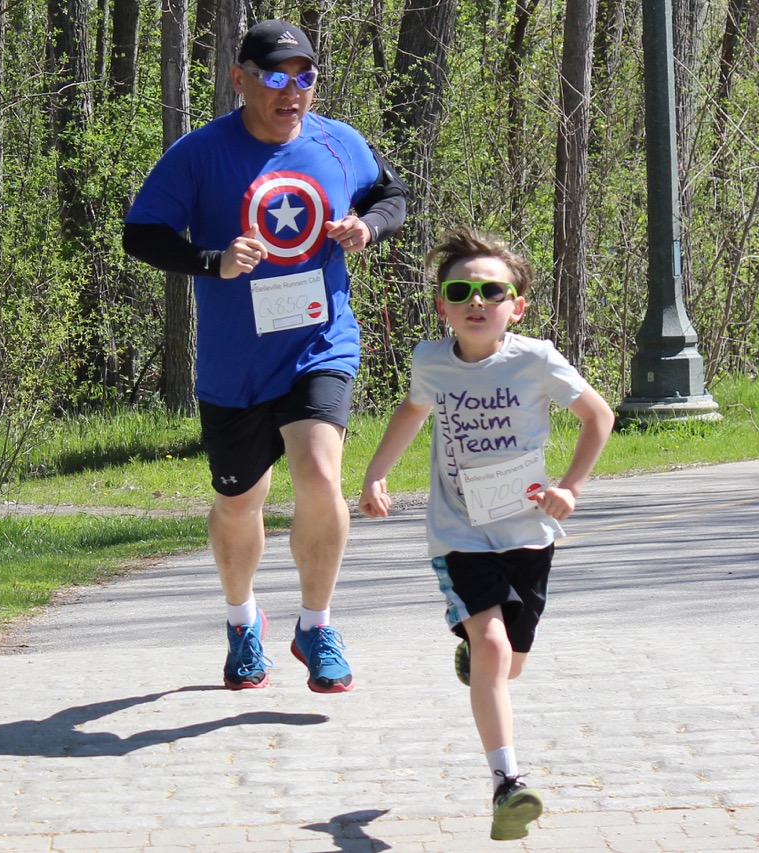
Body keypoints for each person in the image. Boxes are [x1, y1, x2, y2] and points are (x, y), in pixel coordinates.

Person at [122, 19, 408, 693]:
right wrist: (212, 261)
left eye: (304, 76)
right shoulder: (200, 153)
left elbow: (391, 195)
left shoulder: (339, 143)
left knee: (320, 474)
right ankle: (242, 619)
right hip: (235, 363)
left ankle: (316, 624)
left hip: (319, 342)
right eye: (275, 76)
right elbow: (141, 233)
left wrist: (367, 226)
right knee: (239, 502)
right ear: (240, 79)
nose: (291, 91)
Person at [358, 226, 614, 840]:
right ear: (442, 306)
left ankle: (476, 655)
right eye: (461, 291)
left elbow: (598, 416)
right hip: (459, 534)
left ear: (515, 306)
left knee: (507, 664)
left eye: (492, 291)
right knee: (494, 650)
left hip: (529, 533)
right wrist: (375, 474)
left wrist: (570, 488)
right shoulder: (431, 361)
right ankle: (508, 784)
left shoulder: (536, 359)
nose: (476, 301)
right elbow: (413, 411)